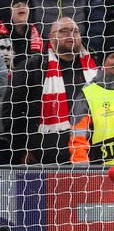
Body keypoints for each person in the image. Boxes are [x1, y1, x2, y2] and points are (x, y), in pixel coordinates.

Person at [3, 17, 98, 165]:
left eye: (75, 31)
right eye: (63, 31)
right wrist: (21, 149)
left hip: (90, 154)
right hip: (45, 157)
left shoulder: (95, 68)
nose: (70, 35)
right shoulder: (32, 67)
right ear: (51, 37)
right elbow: (11, 111)